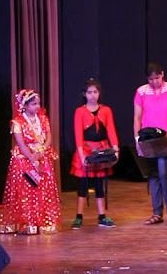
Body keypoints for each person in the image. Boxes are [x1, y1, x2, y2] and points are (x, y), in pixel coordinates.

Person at [0, 89, 61, 235]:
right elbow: (20, 144)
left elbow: (48, 138)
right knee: (26, 191)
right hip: (25, 160)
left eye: (38, 103)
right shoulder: (17, 122)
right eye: (34, 104)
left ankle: (44, 223)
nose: (37, 106)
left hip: (42, 157)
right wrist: (33, 159)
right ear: (24, 105)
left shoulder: (43, 119)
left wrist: (41, 152)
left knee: (44, 190)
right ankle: (28, 223)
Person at [133, 62, 167, 226]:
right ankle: (157, 212)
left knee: (164, 174)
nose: (155, 81)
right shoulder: (141, 91)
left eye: (157, 77)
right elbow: (137, 118)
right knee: (153, 175)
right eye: (151, 79)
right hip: (149, 141)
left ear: (163, 74)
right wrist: (138, 141)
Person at [71, 79, 120, 229]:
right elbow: (78, 135)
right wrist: (81, 155)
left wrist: (116, 151)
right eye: (90, 92)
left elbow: (111, 130)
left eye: (95, 92)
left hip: (102, 149)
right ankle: (79, 216)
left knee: (99, 183)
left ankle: (102, 215)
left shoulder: (106, 110)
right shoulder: (80, 111)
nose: (93, 95)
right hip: (86, 149)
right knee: (83, 184)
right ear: (84, 94)